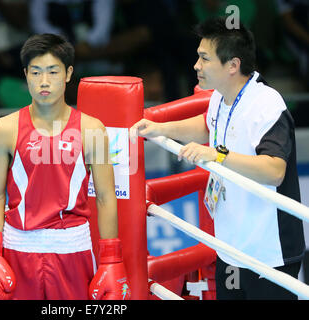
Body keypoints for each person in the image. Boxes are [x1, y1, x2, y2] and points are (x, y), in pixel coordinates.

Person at [130, 17, 305, 300]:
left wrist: (218, 155)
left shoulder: (267, 105)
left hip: (269, 253)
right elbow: (207, 124)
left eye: (204, 58)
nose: (196, 65)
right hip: (230, 247)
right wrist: (161, 129)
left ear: (233, 65)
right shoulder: (221, 97)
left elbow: (274, 171)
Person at [0, 33, 130, 300]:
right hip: (18, 246)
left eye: (52, 72)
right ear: (25, 75)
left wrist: (111, 260)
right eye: (36, 73)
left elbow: (105, 196)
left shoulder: (91, 128)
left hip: (72, 247)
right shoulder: (5, 128)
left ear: (68, 73)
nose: (44, 81)